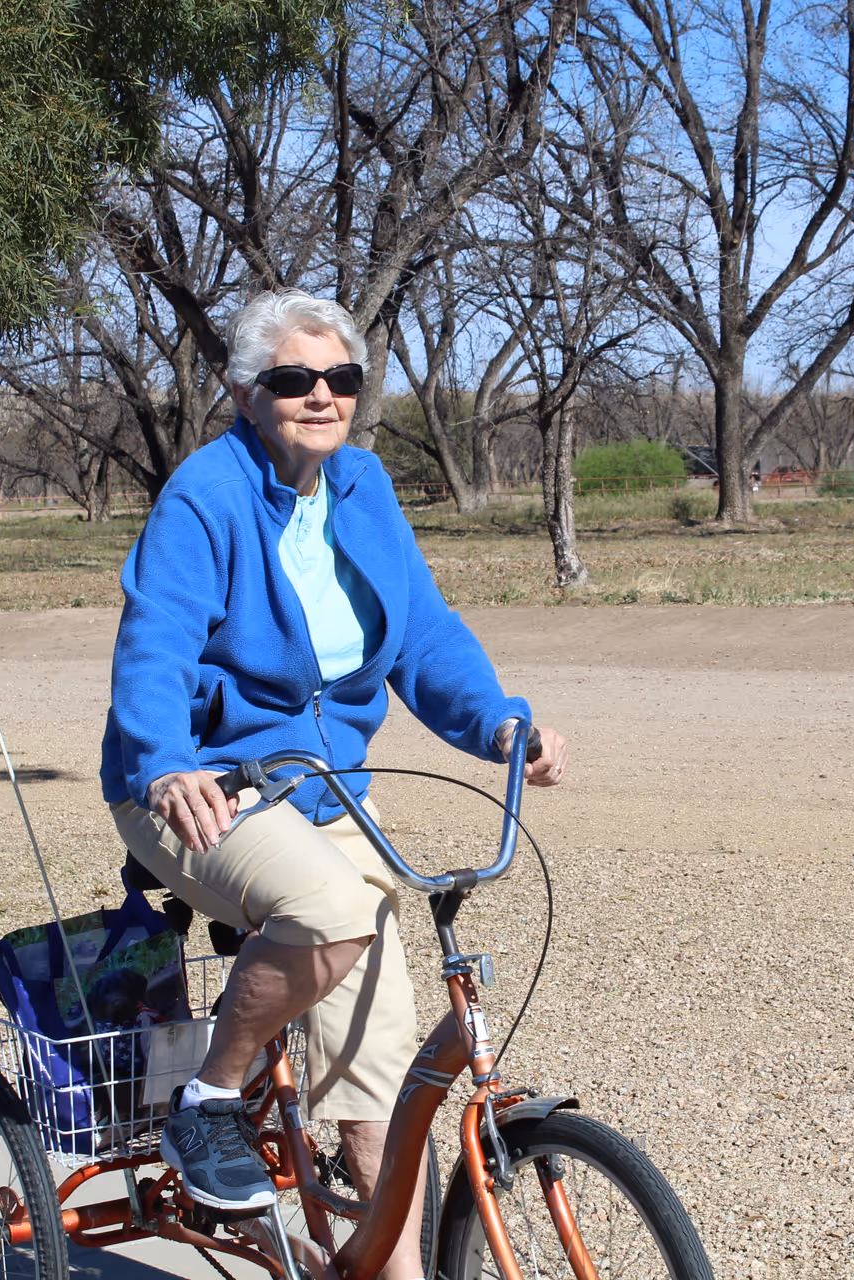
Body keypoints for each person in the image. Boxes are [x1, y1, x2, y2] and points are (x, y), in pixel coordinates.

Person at [100, 290, 569, 1279]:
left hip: (326, 787)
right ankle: (209, 1100)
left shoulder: (363, 489)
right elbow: (155, 640)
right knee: (329, 905)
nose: (321, 395)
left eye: (340, 378)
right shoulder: (207, 493)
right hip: (199, 786)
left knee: (382, 1065)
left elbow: (425, 633)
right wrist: (164, 757)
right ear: (244, 391)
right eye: (293, 378)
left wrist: (496, 718)